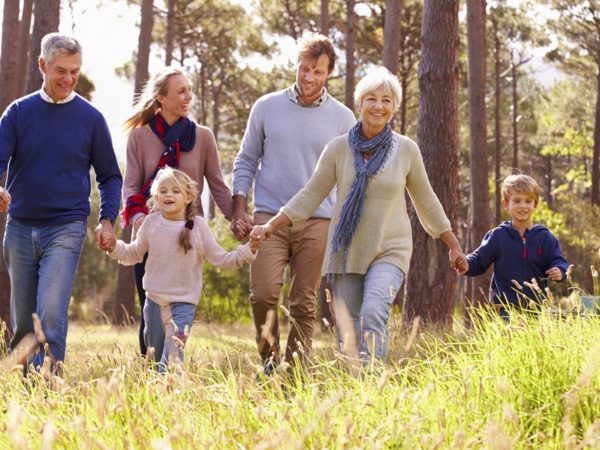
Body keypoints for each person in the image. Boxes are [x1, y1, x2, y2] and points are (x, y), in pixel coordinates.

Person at [251, 67, 466, 365]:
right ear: (360, 103)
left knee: (373, 311)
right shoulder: (338, 149)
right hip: (348, 250)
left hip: (390, 249)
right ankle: (355, 387)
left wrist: (453, 244)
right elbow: (311, 194)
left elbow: (426, 200)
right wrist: (271, 225)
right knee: (349, 327)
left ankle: (372, 383)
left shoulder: (406, 150)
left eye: (386, 100)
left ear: (394, 106)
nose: (378, 106)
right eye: (371, 99)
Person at [232, 32, 356, 372]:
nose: (308, 78)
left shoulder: (343, 119)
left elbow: (348, 176)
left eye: (317, 71)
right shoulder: (266, 107)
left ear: (329, 72)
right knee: (263, 294)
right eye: (304, 69)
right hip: (268, 217)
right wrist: (239, 206)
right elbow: (246, 160)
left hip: (318, 220)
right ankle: (270, 362)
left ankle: (294, 372)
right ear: (296, 66)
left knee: (303, 302)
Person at [0, 33, 122, 370]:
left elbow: (110, 175)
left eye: (75, 71)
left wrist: (108, 219)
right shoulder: (18, 113)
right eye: (61, 71)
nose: (69, 79)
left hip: (66, 226)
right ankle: (28, 391)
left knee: (51, 313)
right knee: (24, 321)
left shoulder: (91, 119)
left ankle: (49, 388)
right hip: (21, 227)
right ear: (42, 65)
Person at [122, 66, 235, 357]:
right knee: (150, 310)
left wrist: (237, 218)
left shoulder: (203, 137)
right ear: (161, 98)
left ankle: (171, 367)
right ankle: (149, 371)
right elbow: (131, 186)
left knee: (181, 310)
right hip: (152, 234)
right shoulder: (139, 137)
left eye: (189, 90)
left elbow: (218, 185)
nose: (188, 97)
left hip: (187, 234)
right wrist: (139, 222)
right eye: (181, 91)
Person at [105, 167, 256, 371]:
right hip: (155, 302)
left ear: (189, 196)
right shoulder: (151, 223)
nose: (169, 195)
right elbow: (133, 253)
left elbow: (223, 259)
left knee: (173, 356)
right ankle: (158, 395)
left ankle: (171, 392)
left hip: (183, 305)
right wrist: (114, 247)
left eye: (176, 191)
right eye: (164, 191)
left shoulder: (198, 227)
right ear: (156, 196)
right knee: (156, 357)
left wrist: (249, 249)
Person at [459, 174, 569, 317]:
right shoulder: (498, 236)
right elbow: (479, 259)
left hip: (535, 308)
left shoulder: (545, 237)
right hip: (504, 308)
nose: (523, 205)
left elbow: (559, 261)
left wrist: (560, 271)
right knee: (508, 339)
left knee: (532, 339)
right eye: (517, 201)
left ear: (535, 204)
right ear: (506, 204)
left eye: (528, 201)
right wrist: (466, 264)